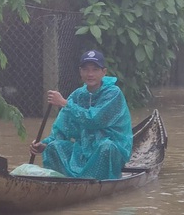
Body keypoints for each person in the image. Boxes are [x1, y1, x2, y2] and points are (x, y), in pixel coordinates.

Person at [30, 50, 132, 180]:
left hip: (112, 150)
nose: (90, 74)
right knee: (53, 147)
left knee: (106, 147)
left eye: (95, 69)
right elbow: (61, 129)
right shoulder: (78, 95)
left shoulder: (113, 94)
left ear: (104, 72)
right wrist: (44, 144)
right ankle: (60, 184)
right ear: (80, 72)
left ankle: (92, 184)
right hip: (84, 149)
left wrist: (65, 104)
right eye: (86, 70)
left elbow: (94, 120)